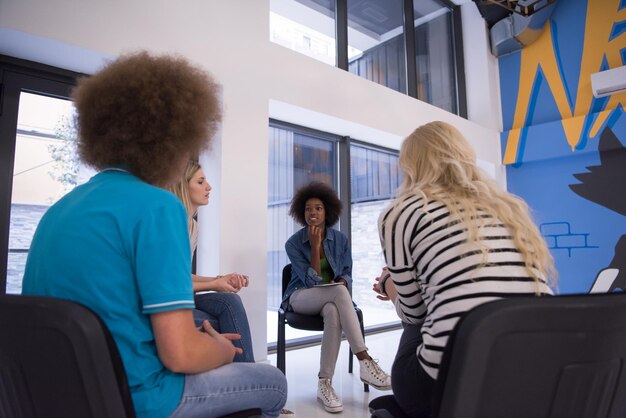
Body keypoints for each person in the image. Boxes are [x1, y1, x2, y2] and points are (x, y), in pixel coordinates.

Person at [22, 51, 288, 418]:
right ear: (172, 141)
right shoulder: (158, 206)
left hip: (65, 395)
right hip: (140, 398)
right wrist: (222, 353)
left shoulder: (59, 210)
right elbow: (181, 355)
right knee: (273, 383)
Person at [369, 121, 556, 418]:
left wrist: (390, 284)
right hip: (538, 373)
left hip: (448, 382)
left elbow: (414, 314)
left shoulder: (401, 212)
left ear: (411, 166)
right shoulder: (509, 208)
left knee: (418, 325)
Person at [282, 182, 392, 413]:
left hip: (330, 299)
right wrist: (314, 247)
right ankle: (364, 359)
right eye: (308, 209)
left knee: (334, 308)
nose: (312, 212)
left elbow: (346, 274)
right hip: (300, 297)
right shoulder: (293, 243)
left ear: (327, 212)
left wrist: (342, 281)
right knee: (340, 293)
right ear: (302, 214)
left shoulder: (340, 240)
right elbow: (311, 281)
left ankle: (325, 383)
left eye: (318, 208)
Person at [169, 160, 254, 363]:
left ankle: (244, 373)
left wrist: (220, 278)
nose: (209, 186)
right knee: (225, 309)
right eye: (200, 181)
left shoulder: (193, 227)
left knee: (230, 300)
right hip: (170, 300)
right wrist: (215, 284)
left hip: (183, 296)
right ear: (183, 185)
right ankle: (247, 374)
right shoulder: (170, 224)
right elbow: (171, 283)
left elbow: (181, 275)